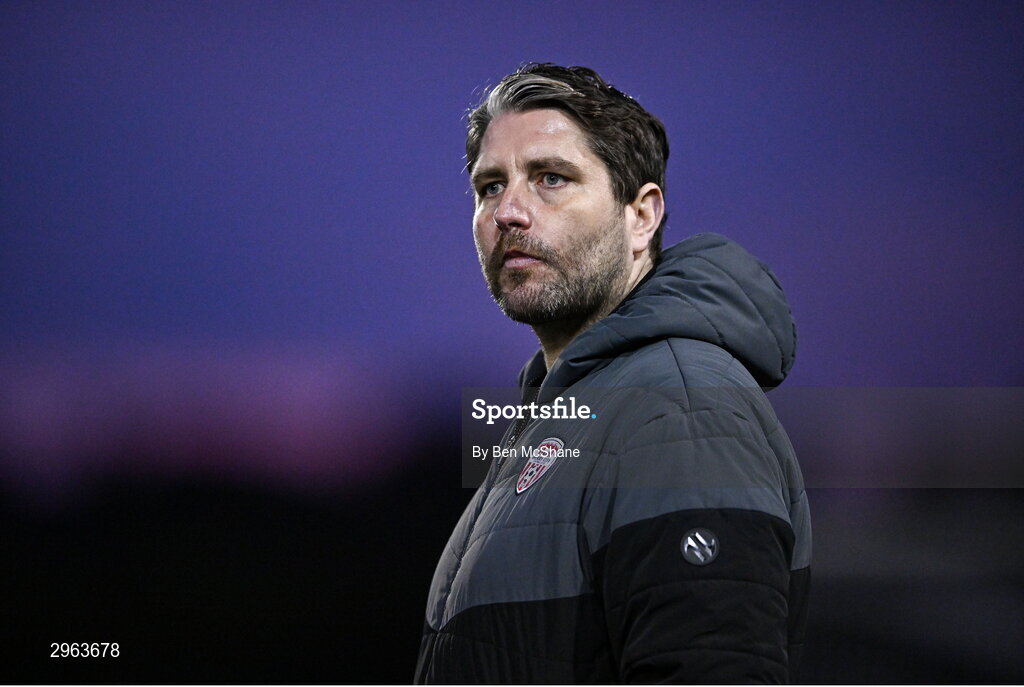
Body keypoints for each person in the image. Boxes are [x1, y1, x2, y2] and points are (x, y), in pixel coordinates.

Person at [415, 63, 811, 684]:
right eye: (490, 186)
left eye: (551, 178)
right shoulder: (571, 411)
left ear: (641, 216)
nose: (509, 211)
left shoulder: (679, 408)